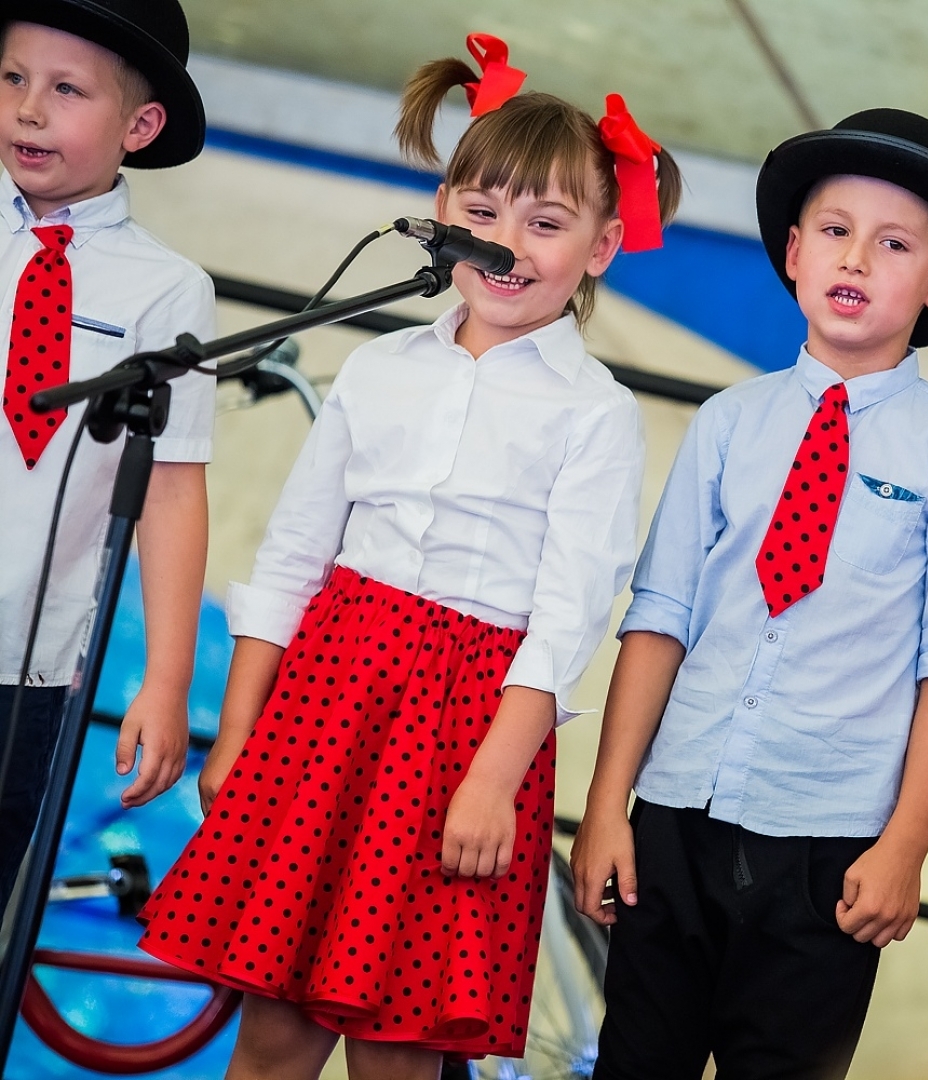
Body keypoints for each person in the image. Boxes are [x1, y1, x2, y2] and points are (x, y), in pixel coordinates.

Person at [136, 34, 680, 1079]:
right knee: (275, 1037)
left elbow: (567, 617)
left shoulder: (594, 414)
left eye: (545, 222)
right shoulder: (381, 365)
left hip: (468, 726)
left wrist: (492, 780)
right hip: (326, 702)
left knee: (398, 1049)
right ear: (441, 212)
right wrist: (240, 727)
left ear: (602, 248)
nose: (507, 242)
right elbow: (295, 555)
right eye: (482, 213)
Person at [571, 108, 928, 1080]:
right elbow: (661, 617)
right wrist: (610, 805)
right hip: (679, 811)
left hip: (831, 845)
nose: (857, 257)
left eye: (895, 243)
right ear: (793, 250)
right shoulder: (730, 422)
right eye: (836, 229)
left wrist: (905, 844)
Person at [0, 0, 214, 910]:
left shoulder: (167, 291)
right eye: (11, 78)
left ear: (141, 124)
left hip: (28, 664)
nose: (28, 109)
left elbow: (171, 493)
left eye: (65, 89)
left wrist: (165, 685)